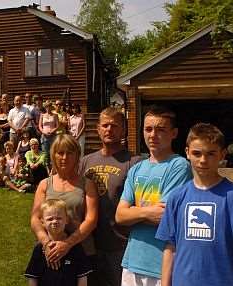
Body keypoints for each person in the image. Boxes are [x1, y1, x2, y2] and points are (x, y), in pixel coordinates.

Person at [115, 105, 192, 286]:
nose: (152, 135)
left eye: (160, 129)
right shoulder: (136, 169)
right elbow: (119, 216)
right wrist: (146, 213)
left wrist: (133, 213)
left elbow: (165, 217)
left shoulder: (179, 166)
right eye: (148, 129)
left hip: (161, 264)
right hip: (132, 261)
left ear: (174, 133)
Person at [156, 123, 233, 286]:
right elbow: (170, 248)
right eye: (197, 153)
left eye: (211, 153)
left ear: (222, 155)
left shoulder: (230, 196)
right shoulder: (177, 197)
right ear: (187, 153)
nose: (203, 160)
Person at [79, 107, 141, 286]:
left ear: (123, 130)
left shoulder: (134, 162)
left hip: (120, 244)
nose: (109, 130)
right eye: (105, 125)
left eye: (114, 126)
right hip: (89, 244)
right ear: (98, 129)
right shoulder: (85, 162)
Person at [30, 134, 98, 283]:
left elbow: (91, 220)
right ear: (53, 155)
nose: (64, 157)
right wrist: (47, 243)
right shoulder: (44, 184)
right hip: (50, 253)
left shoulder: (87, 184)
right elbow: (35, 219)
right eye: (60, 152)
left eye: (69, 153)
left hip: (81, 253)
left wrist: (67, 244)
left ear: (77, 155)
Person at [25, 199, 93, 286]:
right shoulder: (39, 249)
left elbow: (82, 277)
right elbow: (33, 277)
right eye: (50, 219)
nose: (55, 221)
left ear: (67, 220)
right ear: (42, 222)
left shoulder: (75, 247)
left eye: (59, 218)